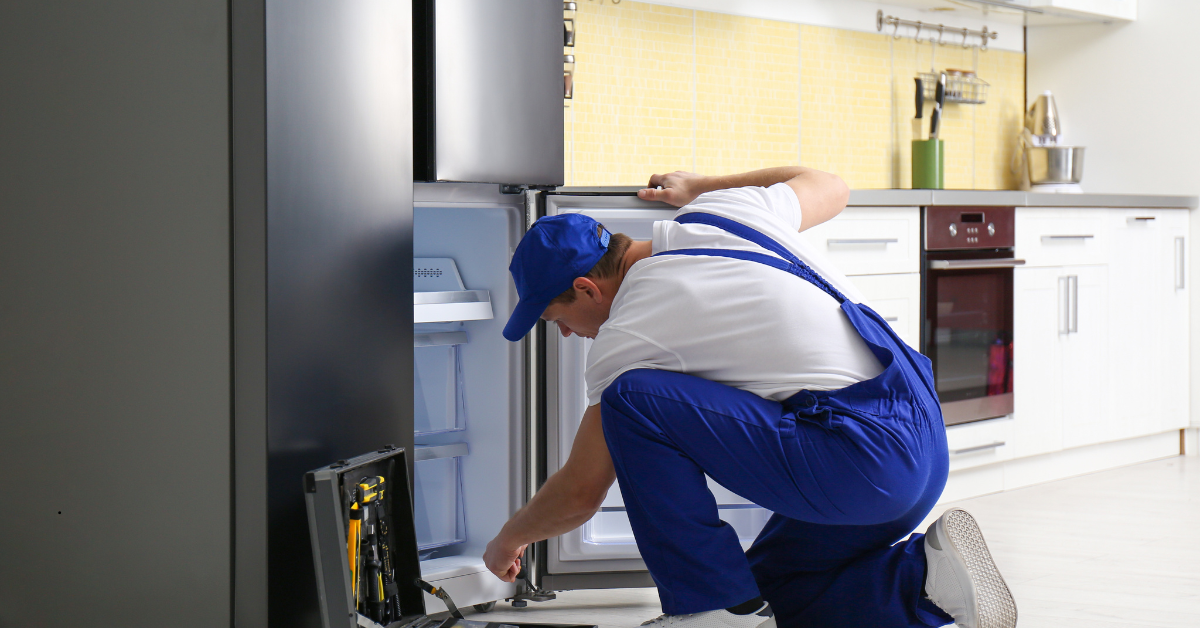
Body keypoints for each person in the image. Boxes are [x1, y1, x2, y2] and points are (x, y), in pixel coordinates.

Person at [482, 166, 1017, 628]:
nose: (569, 336)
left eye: (556, 320)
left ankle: (706, 611)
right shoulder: (725, 210)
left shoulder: (629, 334)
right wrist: (703, 185)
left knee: (631, 399)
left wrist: (508, 540)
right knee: (771, 595)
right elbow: (829, 185)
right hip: (919, 441)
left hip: (862, 462)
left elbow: (581, 491)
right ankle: (925, 580)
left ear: (587, 289)